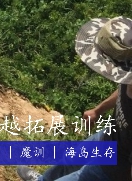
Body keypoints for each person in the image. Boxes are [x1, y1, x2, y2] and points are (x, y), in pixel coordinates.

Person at [17, 16, 132, 181]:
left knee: (78, 176)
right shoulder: (129, 75)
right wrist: (98, 110)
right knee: (69, 161)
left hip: (112, 170)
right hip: (108, 137)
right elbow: (123, 89)